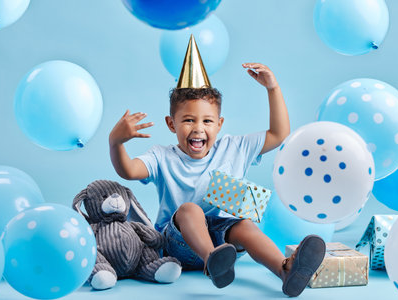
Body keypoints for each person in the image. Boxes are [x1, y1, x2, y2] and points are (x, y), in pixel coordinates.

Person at [108, 35, 325, 297]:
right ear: (171, 124)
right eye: (188, 120)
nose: (198, 128)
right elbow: (129, 170)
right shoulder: (162, 156)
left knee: (243, 225)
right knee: (189, 209)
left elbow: (279, 134)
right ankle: (213, 262)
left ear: (219, 125)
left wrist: (273, 89)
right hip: (179, 244)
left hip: (226, 245)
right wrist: (116, 142)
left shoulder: (234, 147)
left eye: (207, 121)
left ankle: (284, 270)